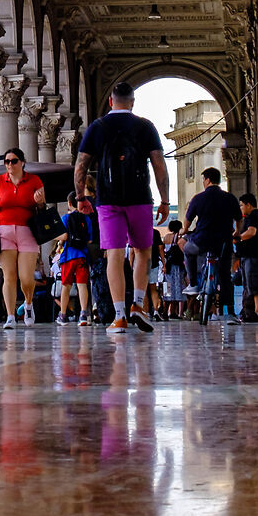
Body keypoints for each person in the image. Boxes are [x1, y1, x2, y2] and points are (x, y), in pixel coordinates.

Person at [74, 80, 170, 336]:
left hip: (108, 200)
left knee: (114, 256)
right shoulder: (145, 126)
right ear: (133, 102)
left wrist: (81, 197)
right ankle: (138, 304)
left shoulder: (98, 127)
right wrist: (164, 200)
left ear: (110, 101)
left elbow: (81, 165)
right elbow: (159, 164)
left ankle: (119, 316)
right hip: (140, 198)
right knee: (142, 252)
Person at [0, 144, 46, 327]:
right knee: (9, 276)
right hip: (4, 230)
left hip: (27, 231)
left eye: (14, 161)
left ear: (22, 163)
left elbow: (42, 209)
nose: (9, 165)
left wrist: (39, 203)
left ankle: (28, 304)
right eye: (6, 161)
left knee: (26, 277)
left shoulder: (34, 180)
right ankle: (11, 316)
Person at [186, 165, 243, 317]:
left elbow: (187, 223)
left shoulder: (198, 198)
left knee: (187, 250)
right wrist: (236, 231)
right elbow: (239, 219)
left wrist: (183, 231)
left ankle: (192, 284)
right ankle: (230, 311)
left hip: (201, 240)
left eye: (204, 180)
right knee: (225, 275)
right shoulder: (229, 197)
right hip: (223, 242)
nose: (203, 182)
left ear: (208, 180)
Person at [57, 191, 97, 324]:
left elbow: (64, 237)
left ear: (69, 203)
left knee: (66, 286)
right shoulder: (86, 219)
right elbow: (90, 240)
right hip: (82, 256)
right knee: (82, 285)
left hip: (68, 256)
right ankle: (84, 314)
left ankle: (63, 315)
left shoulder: (65, 218)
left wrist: (58, 242)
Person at [236, 192, 258, 320]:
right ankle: (249, 313)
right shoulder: (253, 217)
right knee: (249, 285)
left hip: (254, 257)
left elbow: (252, 232)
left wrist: (238, 238)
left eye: (241, 205)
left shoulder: (253, 216)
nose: (240, 208)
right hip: (250, 256)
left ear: (248, 205)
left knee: (256, 285)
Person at [161, 226, 188, 319]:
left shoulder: (166, 237)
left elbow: (163, 250)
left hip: (168, 266)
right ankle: (173, 312)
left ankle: (165, 312)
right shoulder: (180, 237)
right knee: (177, 289)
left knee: (168, 289)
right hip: (177, 267)